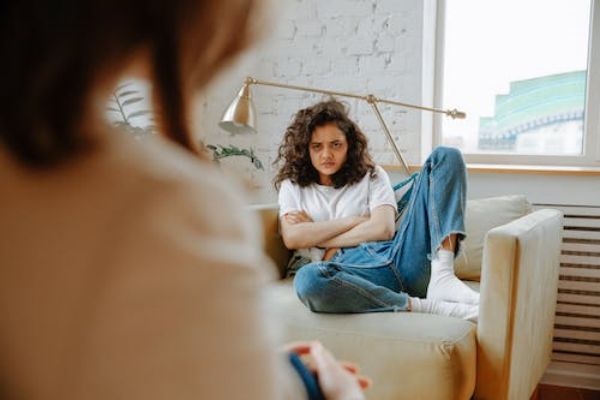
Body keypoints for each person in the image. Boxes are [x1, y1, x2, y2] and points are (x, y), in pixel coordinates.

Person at [0, 1, 368, 399]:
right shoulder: (165, 204)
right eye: (318, 145)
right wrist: (345, 394)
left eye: (335, 144)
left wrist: (228, 355)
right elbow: (297, 238)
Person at [274, 99, 479, 321]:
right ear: (305, 149)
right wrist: (356, 220)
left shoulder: (372, 175)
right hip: (354, 273)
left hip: (400, 255)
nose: (326, 154)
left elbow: (383, 229)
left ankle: (442, 277)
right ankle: (424, 306)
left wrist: (318, 237)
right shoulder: (292, 186)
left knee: (447, 155)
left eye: (336, 144)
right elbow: (292, 238)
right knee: (308, 280)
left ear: (349, 145)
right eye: (317, 146)